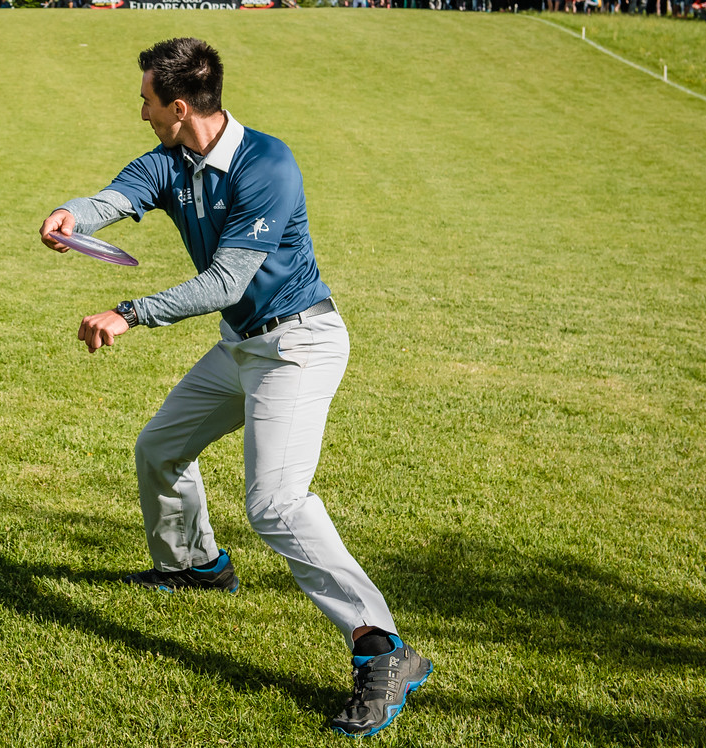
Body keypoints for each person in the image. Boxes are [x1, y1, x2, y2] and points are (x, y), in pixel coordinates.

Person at [38, 38, 431, 738]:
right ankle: (195, 566)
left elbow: (226, 282)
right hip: (242, 344)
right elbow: (114, 198)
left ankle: (382, 649)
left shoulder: (267, 165)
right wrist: (72, 217)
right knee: (160, 448)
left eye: (148, 101)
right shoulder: (169, 160)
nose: (142, 113)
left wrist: (128, 313)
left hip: (298, 345)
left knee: (276, 504)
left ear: (179, 105)